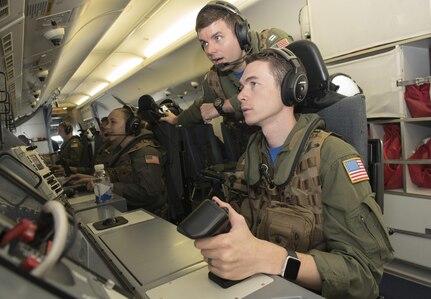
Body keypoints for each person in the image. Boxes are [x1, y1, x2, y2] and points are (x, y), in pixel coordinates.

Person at [194, 49, 394, 299]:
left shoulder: (333, 156)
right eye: (242, 85)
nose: (241, 96)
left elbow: (363, 276)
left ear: (290, 90)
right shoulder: (251, 157)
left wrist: (274, 259)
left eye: (253, 84)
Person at [160, 1, 293, 128]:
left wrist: (225, 106)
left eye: (217, 37)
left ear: (241, 33)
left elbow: (283, 81)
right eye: (204, 43)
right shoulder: (214, 79)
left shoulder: (272, 43)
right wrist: (176, 119)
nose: (210, 50)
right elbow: (199, 108)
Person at [69, 106, 168, 218]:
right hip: (131, 211)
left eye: (113, 122)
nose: (107, 127)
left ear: (131, 125)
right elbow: (123, 174)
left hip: (149, 216)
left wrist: (111, 187)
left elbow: (149, 193)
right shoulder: (122, 150)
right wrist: (95, 180)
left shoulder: (146, 152)